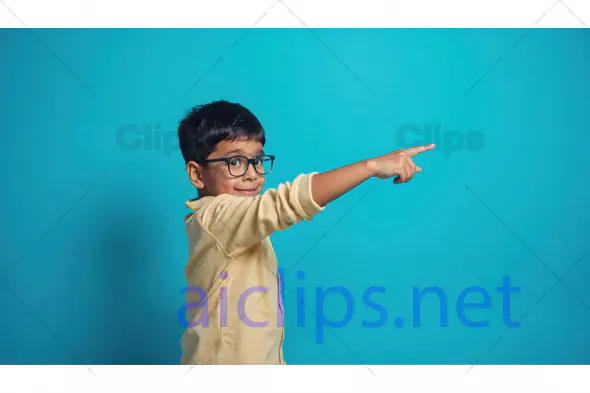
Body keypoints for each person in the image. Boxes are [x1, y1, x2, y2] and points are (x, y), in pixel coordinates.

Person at [177, 99, 435, 365]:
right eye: (235, 162)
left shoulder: (239, 221)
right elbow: (286, 202)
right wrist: (370, 167)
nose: (252, 174)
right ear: (197, 175)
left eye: (257, 160)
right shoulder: (216, 216)